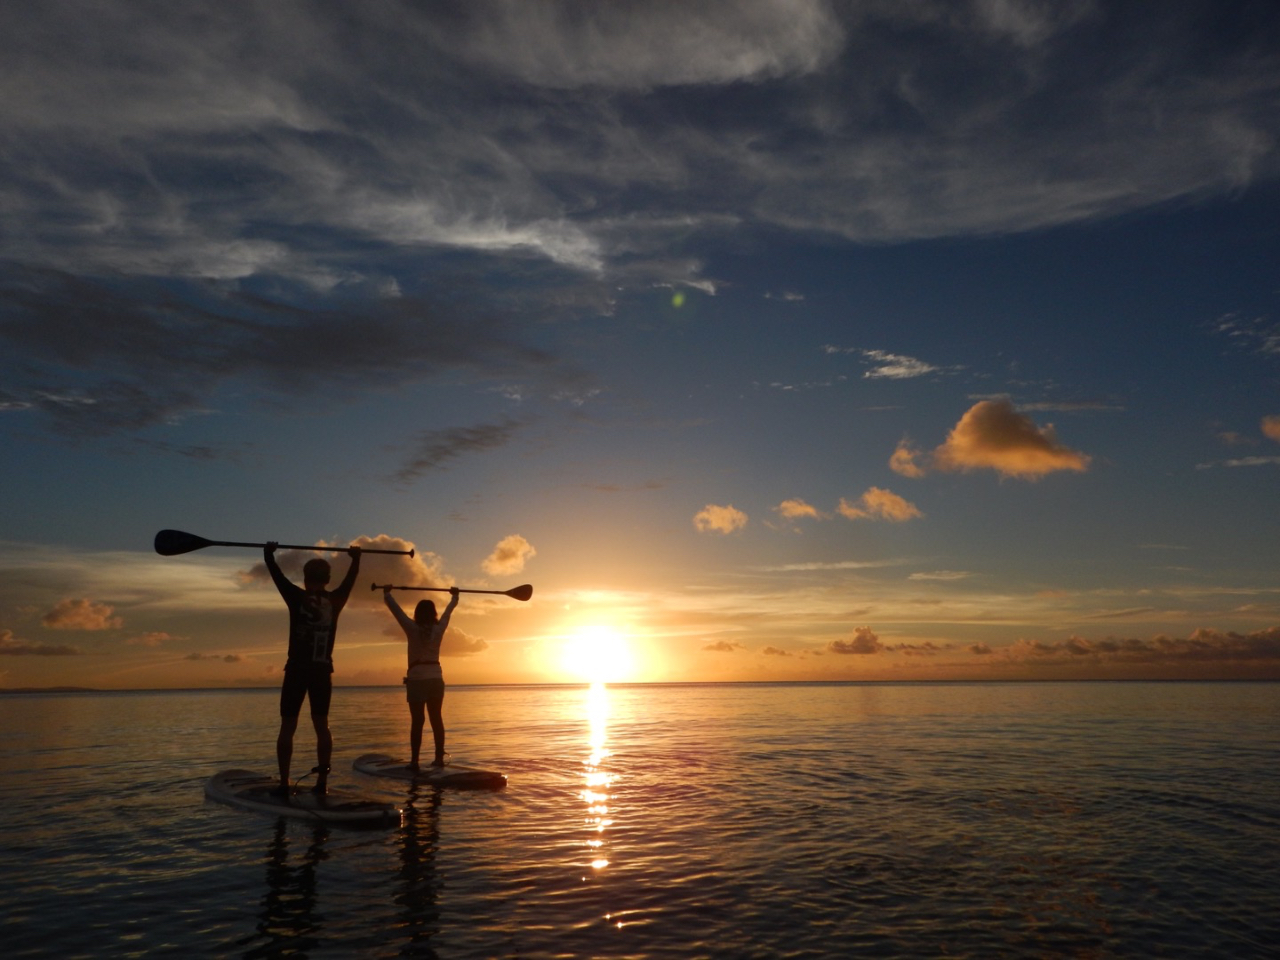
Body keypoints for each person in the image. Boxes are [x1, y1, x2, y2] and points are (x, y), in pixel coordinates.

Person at [264, 542, 362, 796]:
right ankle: (322, 784)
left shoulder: (296, 597)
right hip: (322, 671)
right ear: (327, 579)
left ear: (306, 579)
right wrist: (355, 558)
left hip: (296, 670)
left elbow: (277, 576)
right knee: (322, 726)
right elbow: (351, 580)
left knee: (288, 726)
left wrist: (268, 554)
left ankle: (284, 783)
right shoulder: (336, 599)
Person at [382, 584, 459, 770]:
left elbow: (397, 612)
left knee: (417, 722)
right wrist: (454, 597)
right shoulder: (438, 629)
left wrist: (387, 594)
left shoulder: (411, 628)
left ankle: (414, 761)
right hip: (436, 679)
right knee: (436, 720)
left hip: (417, 680)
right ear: (433, 614)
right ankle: (439, 759)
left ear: (417, 613)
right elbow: (448, 614)